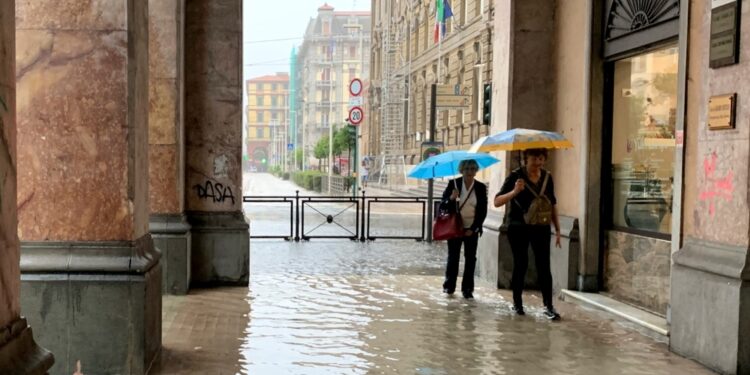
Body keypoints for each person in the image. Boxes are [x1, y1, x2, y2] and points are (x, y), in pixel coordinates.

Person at [493, 148, 562, 320]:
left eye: (541, 158)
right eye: (534, 159)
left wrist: (558, 229)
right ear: (526, 158)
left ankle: (549, 306)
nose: (537, 163)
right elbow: (497, 201)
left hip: (541, 227)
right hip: (518, 227)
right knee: (521, 264)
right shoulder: (515, 176)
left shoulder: (547, 177)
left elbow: (552, 203)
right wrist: (515, 192)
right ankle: (517, 303)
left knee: (544, 266)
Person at [439, 159, 488, 299]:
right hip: (455, 228)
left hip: (472, 228)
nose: (470, 172)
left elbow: (482, 210)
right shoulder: (453, 184)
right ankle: (449, 287)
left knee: (470, 259)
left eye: (473, 169)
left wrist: (474, 228)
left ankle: (467, 289)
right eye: (467, 169)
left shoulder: (480, 187)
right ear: (462, 170)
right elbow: (443, 206)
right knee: (453, 258)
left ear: (476, 171)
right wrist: (451, 198)